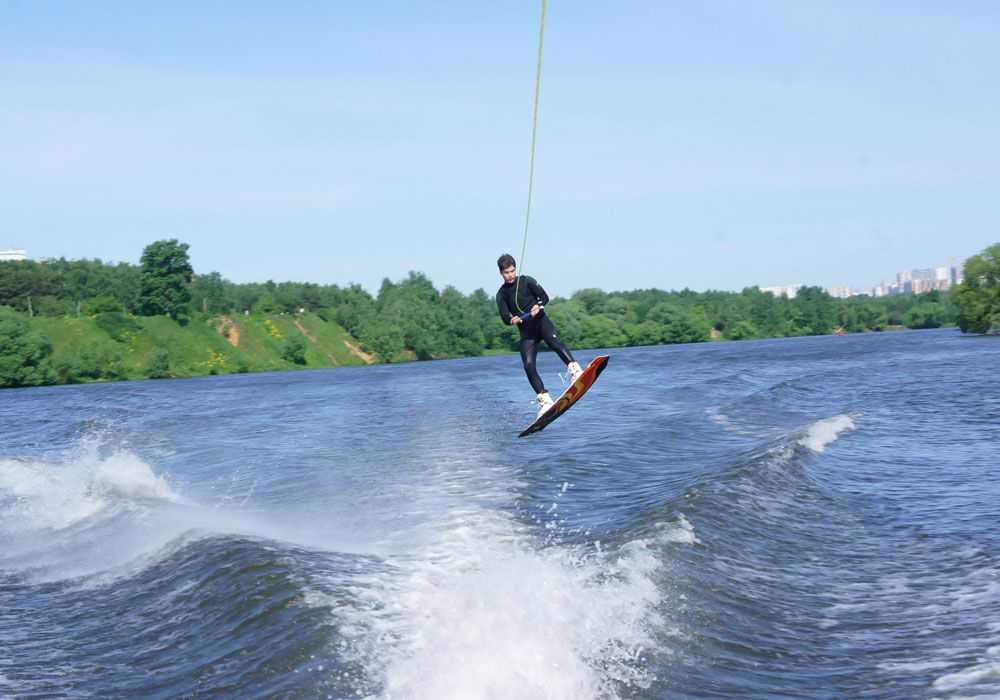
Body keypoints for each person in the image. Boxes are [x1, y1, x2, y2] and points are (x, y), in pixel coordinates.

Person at [495, 253, 583, 417]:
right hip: (527, 333)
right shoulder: (501, 294)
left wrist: (537, 305)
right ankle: (544, 399)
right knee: (528, 365)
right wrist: (511, 319)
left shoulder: (527, 281)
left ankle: (575, 370)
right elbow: (504, 316)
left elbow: (545, 297)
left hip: (541, 322)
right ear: (501, 273)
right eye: (506, 273)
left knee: (553, 341)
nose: (510, 275)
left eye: (512, 271)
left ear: (516, 269)